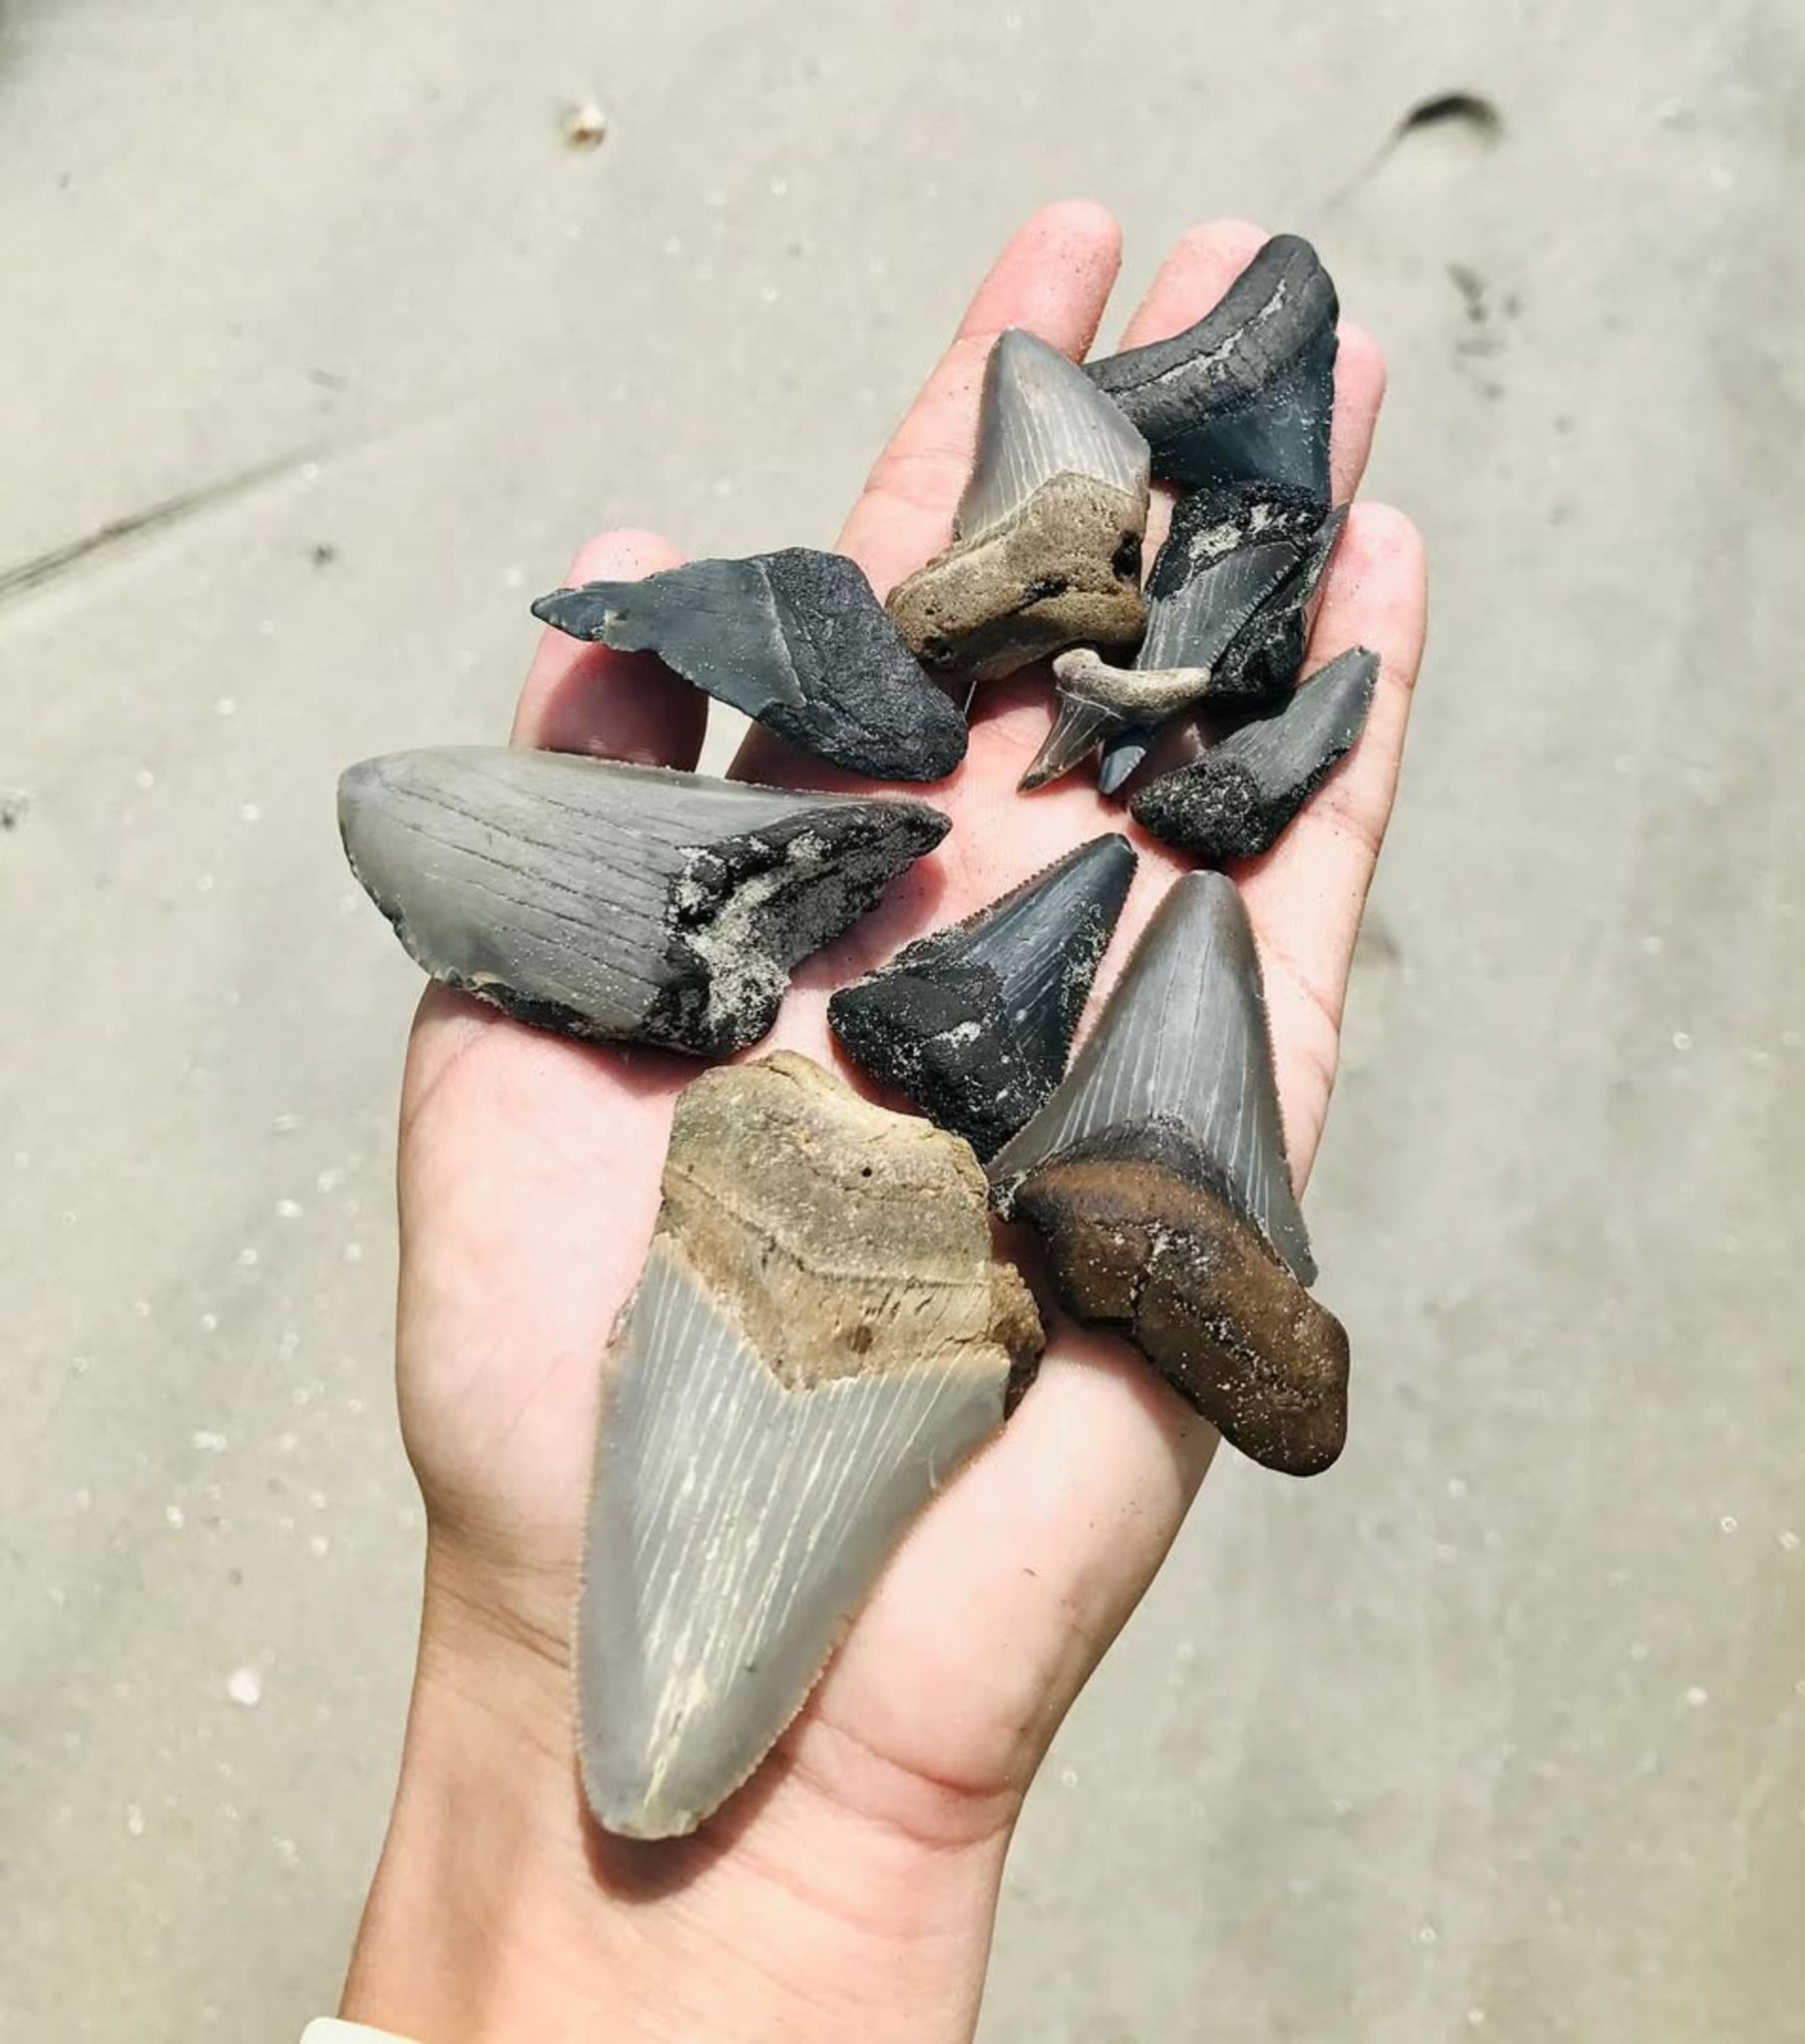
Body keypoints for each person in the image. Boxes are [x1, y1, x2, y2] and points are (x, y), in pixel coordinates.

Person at [329, 202, 1428, 2043]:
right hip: (903, 1125)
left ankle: (1125, 549)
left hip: (928, 1076)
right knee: (1151, 869)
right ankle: (1141, 537)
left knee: (1143, 861)